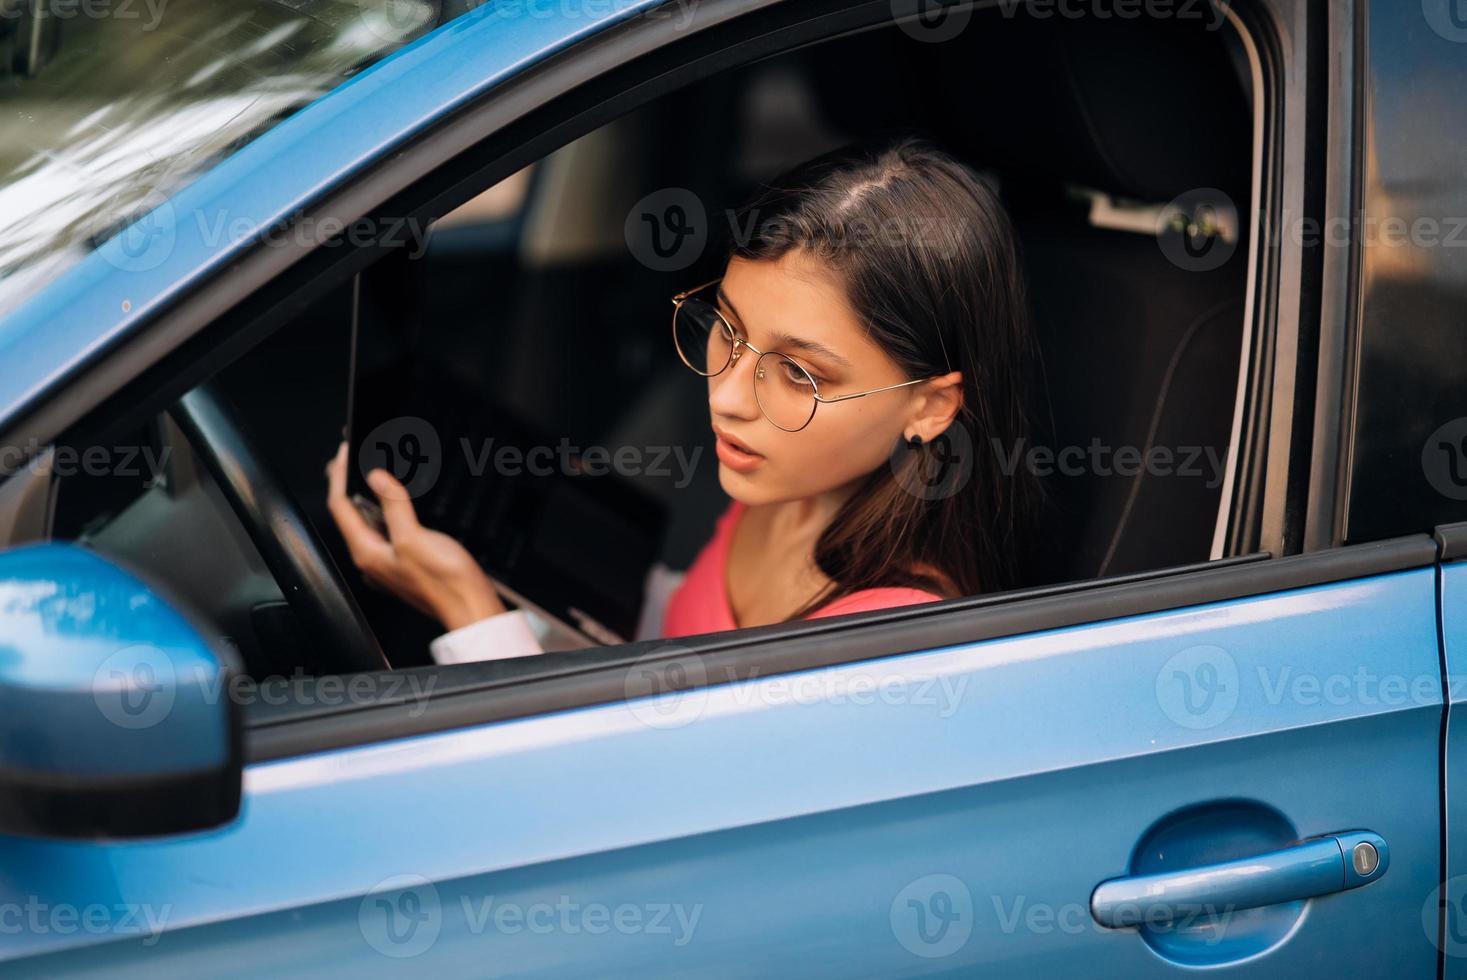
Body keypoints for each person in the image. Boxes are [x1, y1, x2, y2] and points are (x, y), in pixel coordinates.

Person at [325, 136, 1037, 664]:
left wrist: (469, 612)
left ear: (930, 408)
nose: (725, 396)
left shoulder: (882, 653)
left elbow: (621, 816)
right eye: (726, 328)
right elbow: (670, 646)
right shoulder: (785, 485)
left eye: (800, 375)